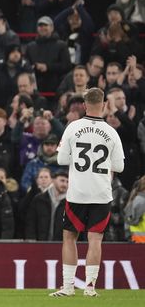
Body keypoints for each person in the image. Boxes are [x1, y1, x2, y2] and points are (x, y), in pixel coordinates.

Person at [50, 88, 125, 297]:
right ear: (103, 105)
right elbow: (119, 167)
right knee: (95, 240)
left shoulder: (73, 127)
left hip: (77, 193)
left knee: (69, 238)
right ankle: (90, 287)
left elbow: (61, 160)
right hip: (101, 193)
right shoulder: (112, 132)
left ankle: (68, 287)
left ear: (84, 105)